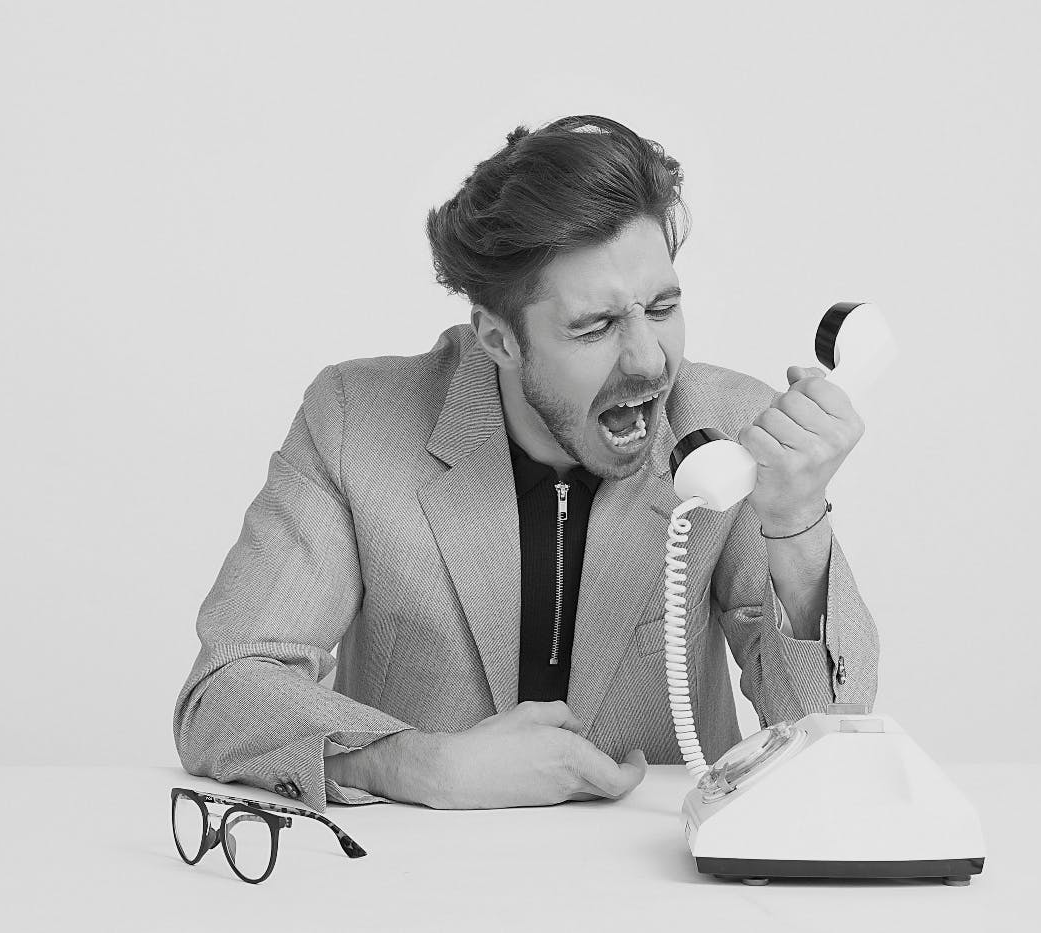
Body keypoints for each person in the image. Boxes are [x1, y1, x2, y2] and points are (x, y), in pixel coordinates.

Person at [172, 115, 879, 813]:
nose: (649, 359)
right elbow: (226, 690)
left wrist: (796, 524)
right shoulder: (355, 420)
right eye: (594, 326)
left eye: (662, 307)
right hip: (415, 881)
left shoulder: (726, 427)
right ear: (499, 338)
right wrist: (418, 764)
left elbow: (830, 736)